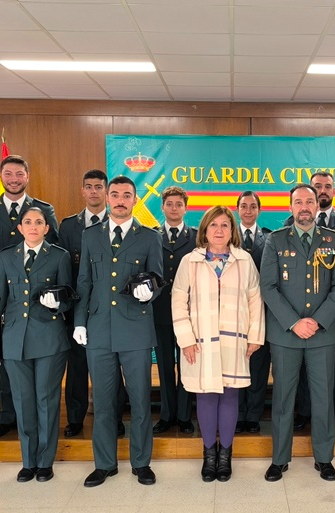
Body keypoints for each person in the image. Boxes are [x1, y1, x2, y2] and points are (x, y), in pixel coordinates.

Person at [74, 175, 163, 487]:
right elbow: (84, 281)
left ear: (135, 199)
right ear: (107, 198)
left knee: (139, 400)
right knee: (103, 400)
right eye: (115, 194)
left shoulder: (150, 237)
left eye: (127, 194)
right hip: (98, 329)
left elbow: (157, 281)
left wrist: (148, 293)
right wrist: (79, 321)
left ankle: (141, 462)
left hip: (136, 329)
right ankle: (105, 464)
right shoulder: (90, 236)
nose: (121, 200)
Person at [261, 183, 335, 482]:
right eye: (298, 202)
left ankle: (324, 459)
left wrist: (318, 320)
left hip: (322, 334)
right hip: (286, 335)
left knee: (323, 398)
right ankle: (279, 459)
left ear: (317, 205)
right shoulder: (275, 240)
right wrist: (294, 322)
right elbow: (268, 287)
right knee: (284, 399)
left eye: (309, 201)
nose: (304, 207)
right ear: (290, 207)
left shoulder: (332, 239)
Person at [171, 205, 265, 482]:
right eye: (214, 225)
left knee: (230, 395)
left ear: (232, 230)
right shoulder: (190, 261)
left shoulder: (244, 260)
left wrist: (255, 336)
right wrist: (186, 339)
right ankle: (208, 454)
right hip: (200, 342)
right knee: (206, 395)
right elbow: (178, 301)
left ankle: (225, 454)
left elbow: (255, 300)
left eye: (225, 225)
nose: (219, 230)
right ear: (204, 230)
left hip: (235, 340)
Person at [0, 154, 59, 440]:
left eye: (19, 173)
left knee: (38, 368)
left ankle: (37, 422)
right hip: (1, 298)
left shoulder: (44, 210)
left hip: (38, 302)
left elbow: (54, 250)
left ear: (27, 177)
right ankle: (7, 415)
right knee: (4, 364)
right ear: (1, 176)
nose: (13, 178)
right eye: (8, 173)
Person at [0, 207, 73, 483]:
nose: (33, 226)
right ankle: (28, 460)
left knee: (46, 400)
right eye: (28, 222)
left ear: (47, 228)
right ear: (20, 228)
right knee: (22, 402)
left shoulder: (59, 256)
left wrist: (59, 303)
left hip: (49, 338)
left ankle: (45, 461)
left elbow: (70, 296)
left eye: (39, 222)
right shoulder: (5, 256)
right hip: (14, 339)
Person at [285, 172, 335, 432]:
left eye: (327, 186)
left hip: (334, 306)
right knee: (306, 364)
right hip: (302, 310)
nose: (323, 190)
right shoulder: (292, 222)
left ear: (333, 190)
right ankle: (304, 411)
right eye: (318, 186)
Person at [57, 169, 126, 439]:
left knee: (112, 366)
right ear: (83, 191)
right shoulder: (68, 225)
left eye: (99, 187)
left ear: (107, 193)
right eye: (89, 187)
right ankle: (75, 418)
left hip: (109, 306)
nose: (94, 191)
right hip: (77, 305)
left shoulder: (120, 225)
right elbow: (63, 268)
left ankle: (116, 417)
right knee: (76, 366)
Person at [153, 186, 197, 435]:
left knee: (187, 365)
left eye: (178, 204)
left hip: (189, 314)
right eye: (169, 203)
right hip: (159, 312)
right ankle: (167, 415)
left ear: (185, 207)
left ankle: (184, 415)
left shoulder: (196, 237)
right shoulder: (151, 236)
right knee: (165, 366)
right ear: (162, 207)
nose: (173, 208)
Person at [234, 191, 271, 434]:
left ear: (259, 210)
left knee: (258, 366)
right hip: (233, 312)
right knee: (236, 365)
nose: (248, 210)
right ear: (237, 209)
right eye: (244, 206)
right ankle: (237, 415)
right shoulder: (225, 235)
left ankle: (253, 415)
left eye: (252, 206)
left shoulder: (270, 238)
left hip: (262, 312)